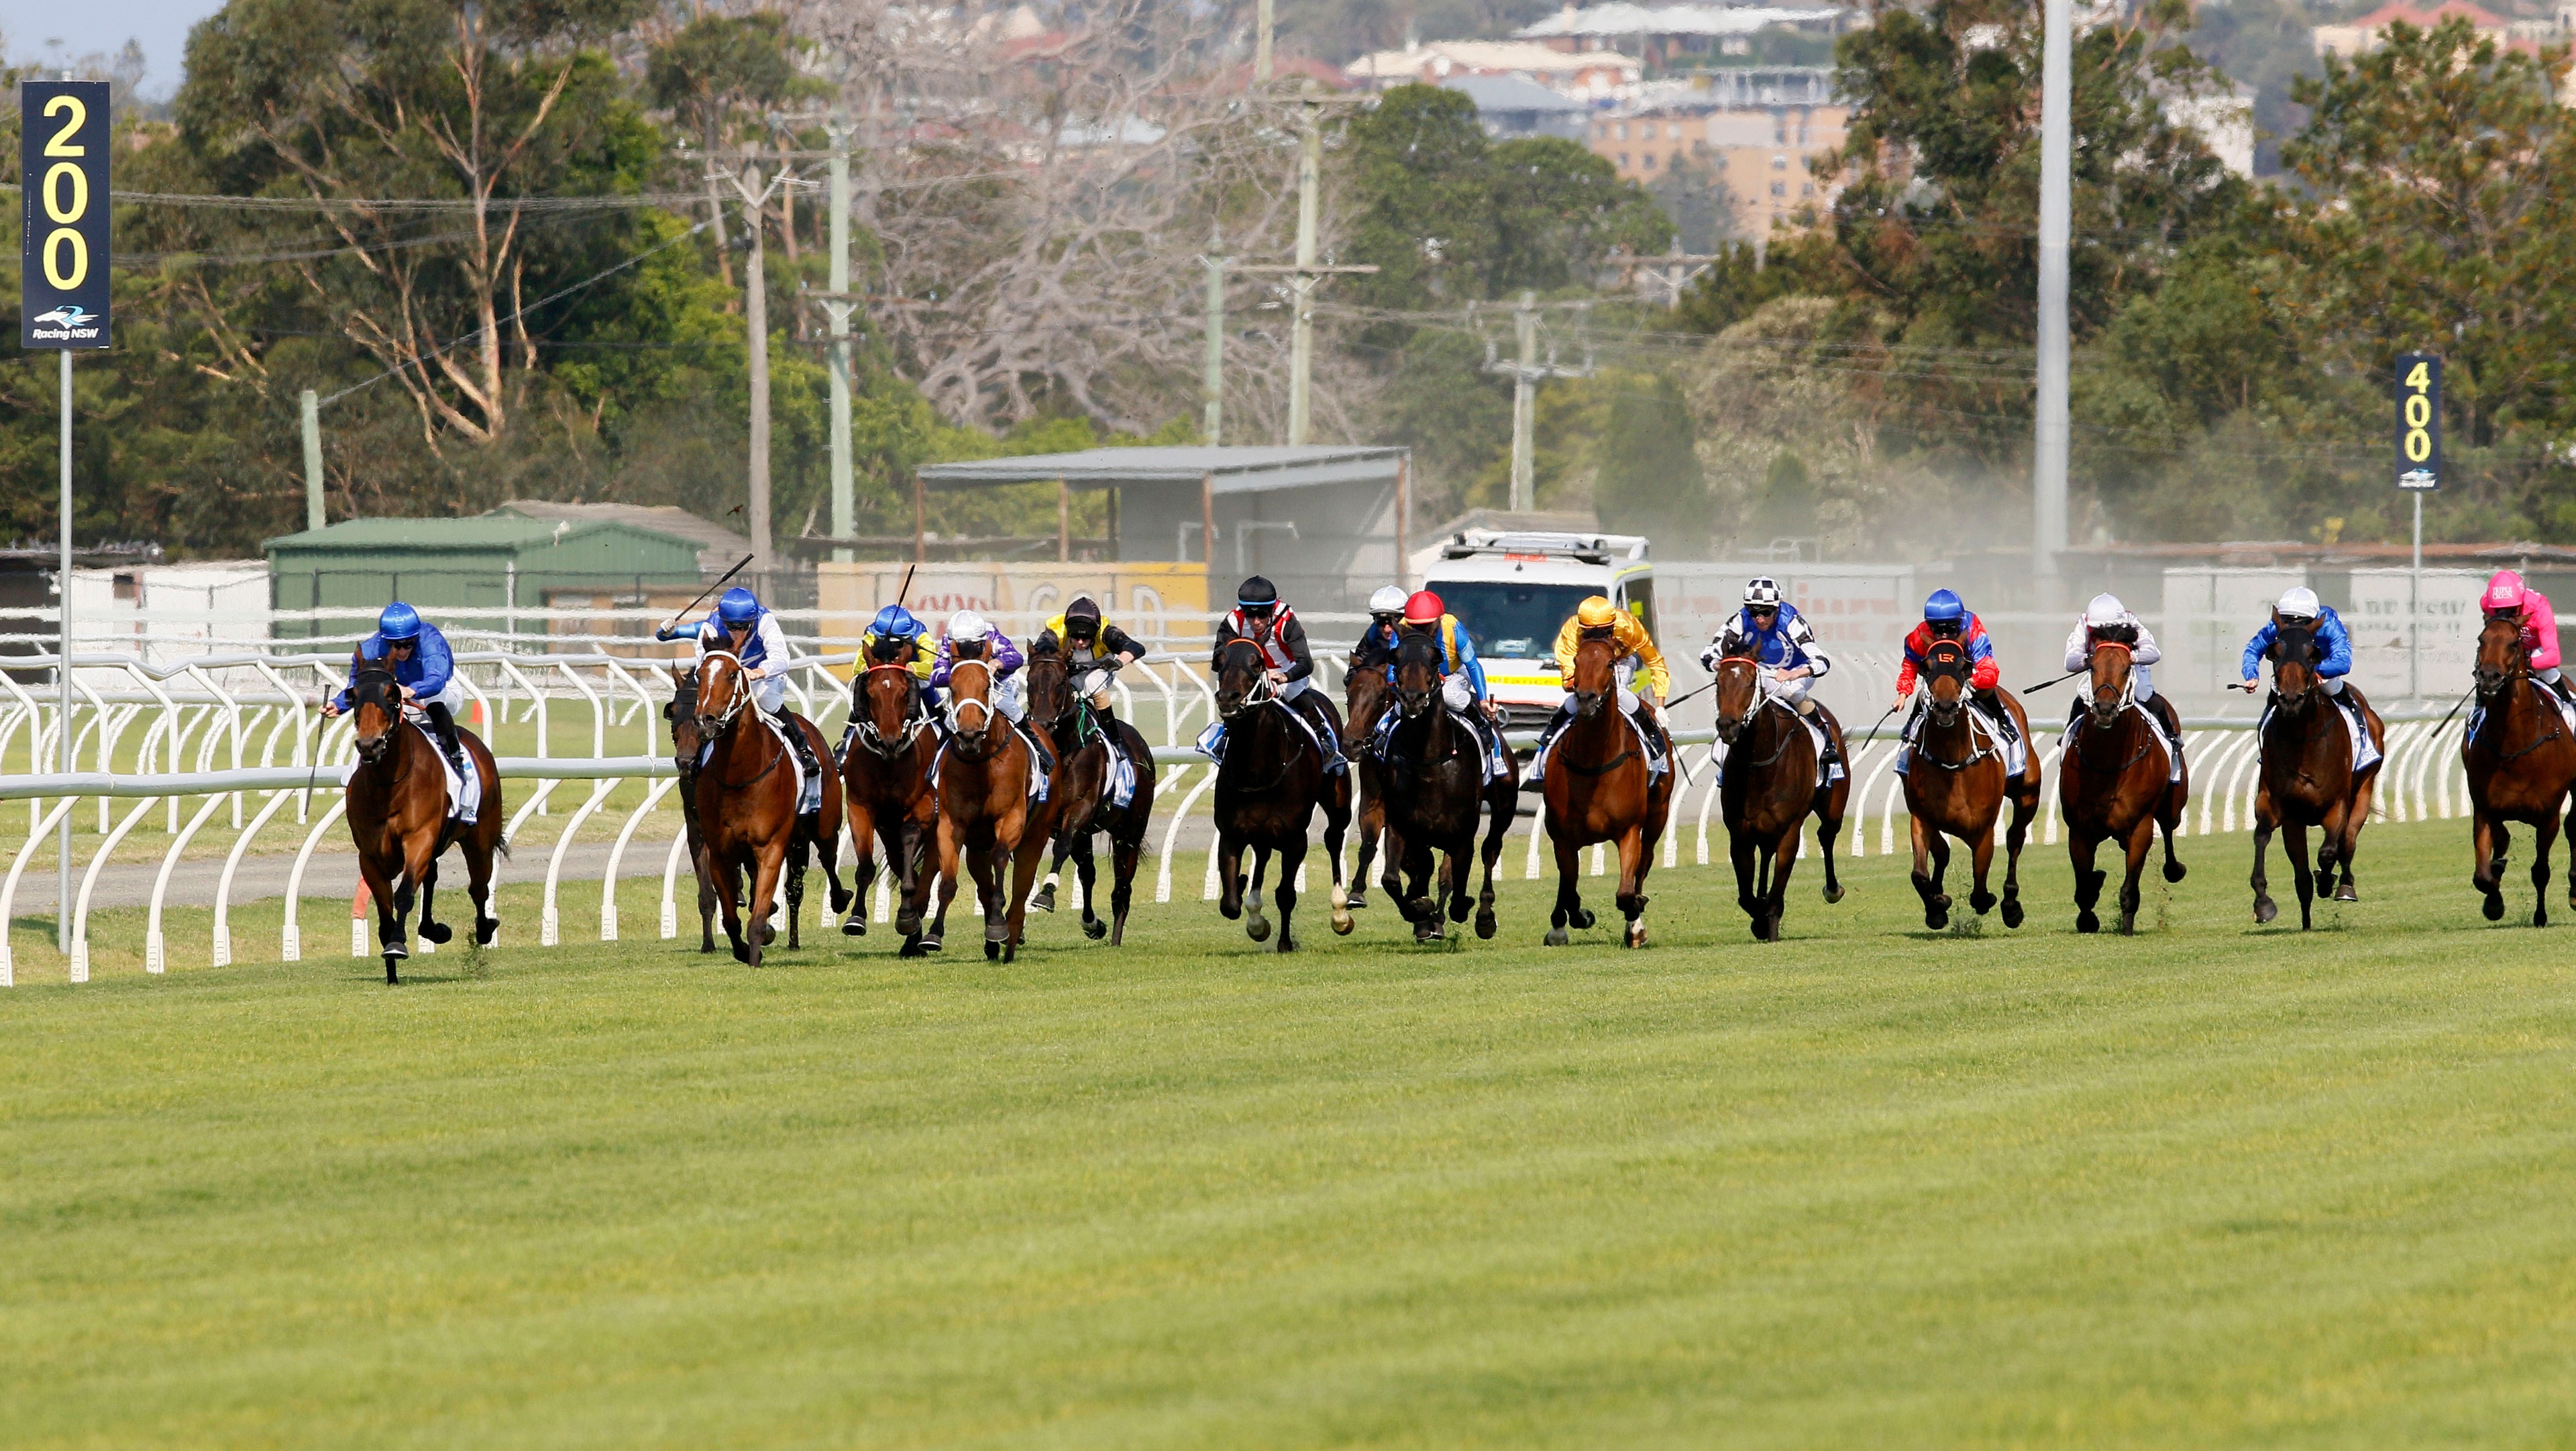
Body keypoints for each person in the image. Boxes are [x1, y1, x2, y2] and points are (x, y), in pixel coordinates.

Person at [658, 586, 825, 801]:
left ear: (753, 620)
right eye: (731, 627)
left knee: (767, 698)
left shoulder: (765, 621)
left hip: (763, 676)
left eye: (744, 627)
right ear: (723, 620)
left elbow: (781, 658)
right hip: (725, 679)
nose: (738, 632)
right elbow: (702, 665)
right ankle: (697, 757)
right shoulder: (712, 625)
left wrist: (757, 672)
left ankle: (803, 750)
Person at [1205, 575, 1348, 774]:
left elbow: (1306, 663)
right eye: (1250, 615)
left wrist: (1284, 677)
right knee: (1232, 702)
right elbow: (1218, 660)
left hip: (1285, 673)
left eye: (1262, 615)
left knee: (1296, 695)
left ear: (1272, 609)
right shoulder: (1233, 621)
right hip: (1252, 677)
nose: (1256, 622)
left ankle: (1323, 736)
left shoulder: (1287, 620)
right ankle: (1225, 737)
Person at [325, 601, 471, 783]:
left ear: (416, 637)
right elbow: (358, 685)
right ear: (384, 640)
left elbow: (436, 678)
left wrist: (412, 690)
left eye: (408, 644)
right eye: (395, 645)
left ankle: (456, 762)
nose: (402, 651)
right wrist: (338, 705)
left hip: (442, 689)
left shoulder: (430, 640)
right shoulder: (371, 649)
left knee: (434, 705)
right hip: (397, 692)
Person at [1705, 576, 1838, 773]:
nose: (1759, 619)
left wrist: (1795, 673)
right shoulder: (1740, 619)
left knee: (1792, 692)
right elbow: (1710, 651)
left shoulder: (1790, 621)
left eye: (1766, 613)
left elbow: (1821, 661)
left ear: (1777, 609)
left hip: (1797, 671)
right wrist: (1720, 665)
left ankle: (1826, 741)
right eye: (1753, 612)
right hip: (1760, 673)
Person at [1530, 594, 1671, 775]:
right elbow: (1569, 680)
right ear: (1581, 628)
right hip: (1587, 660)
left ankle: (1654, 738)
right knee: (1579, 697)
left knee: (1618, 693)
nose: (1598, 638)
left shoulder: (1628, 625)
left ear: (1613, 626)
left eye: (1605, 632)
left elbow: (1655, 662)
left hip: (1621, 659)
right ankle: (1545, 746)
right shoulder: (1571, 630)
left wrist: (1660, 706)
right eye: (1590, 634)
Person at [1375, 589, 1508, 779]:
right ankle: (1386, 734)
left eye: (1428, 625)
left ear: (1439, 620)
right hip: (1420, 679)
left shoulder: (1452, 626)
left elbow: (1472, 664)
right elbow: (1392, 670)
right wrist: (1396, 687)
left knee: (1451, 696)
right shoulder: (1401, 628)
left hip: (1453, 672)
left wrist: (1484, 699)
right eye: (1416, 626)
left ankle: (1483, 727)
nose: (1422, 631)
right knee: (1400, 705)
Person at [1894, 587, 2017, 757]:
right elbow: (1910, 666)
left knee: (1985, 690)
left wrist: (1974, 680)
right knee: (1924, 693)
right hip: (1939, 678)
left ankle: (2003, 721)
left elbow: (1989, 671)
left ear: (1959, 622)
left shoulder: (1972, 628)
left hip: (1968, 673)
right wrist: (1902, 695)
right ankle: (1911, 727)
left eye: (1951, 628)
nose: (1944, 634)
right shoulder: (1919, 636)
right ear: (1929, 626)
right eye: (1937, 629)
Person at [932, 608, 1051, 773]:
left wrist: (998, 663)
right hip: (968, 690)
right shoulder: (949, 640)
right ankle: (936, 763)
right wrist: (965, 675)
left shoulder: (990, 634)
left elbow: (1015, 657)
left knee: (1005, 704)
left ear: (981, 640)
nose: (969, 651)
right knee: (950, 719)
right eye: (962, 648)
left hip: (999, 684)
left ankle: (1038, 749)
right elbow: (936, 676)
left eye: (975, 646)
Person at [1034, 594, 1145, 769]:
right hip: (1069, 672)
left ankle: (1114, 740)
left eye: (1086, 639)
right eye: (1075, 637)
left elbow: (1136, 648)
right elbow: (1041, 649)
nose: (1080, 642)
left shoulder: (1106, 633)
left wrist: (1117, 663)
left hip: (1100, 670)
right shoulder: (1055, 631)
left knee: (1093, 683)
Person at [2065, 592, 2184, 751]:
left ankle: (2170, 735)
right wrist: (2092, 660)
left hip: (2130, 668)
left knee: (2144, 694)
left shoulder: (2130, 621)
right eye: (2098, 627)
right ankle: (2069, 738)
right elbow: (2070, 661)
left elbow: (2154, 653)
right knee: (2082, 700)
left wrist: (2131, 658)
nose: (2104, 630)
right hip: (2100, 670)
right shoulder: (2084, 624)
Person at [2239, 586, 2369, 726]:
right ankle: (2263, 732)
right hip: (2288, 674)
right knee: (2273, 701)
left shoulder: (2329, 624)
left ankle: (2362, 736)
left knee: (2333, 688)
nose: (2295, 627)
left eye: (2302, 622)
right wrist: (2252, 676)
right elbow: (2253, 649)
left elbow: (2343, 662)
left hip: (2321, 672)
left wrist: (2314, 670)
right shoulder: (2276, 626)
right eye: (2288, 620)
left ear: (2313, 619)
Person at [2479, 569, 2573, 705]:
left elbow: (2553, 657)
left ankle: (2569, 703)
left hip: (2535, 649)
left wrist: (2526, 663)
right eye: (2498, 611)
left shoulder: (2539, 607)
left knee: (2548, 673)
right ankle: (2478, 710)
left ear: (2521, 602)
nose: (2506, 615)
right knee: (2483, 671)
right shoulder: (2485, 604)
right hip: (2508, 650)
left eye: (2512, 610)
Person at [1348, 584, 1411, 674]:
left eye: (1392, 622)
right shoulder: (1372, 634)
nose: (1387, 629)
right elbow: (1351, 675)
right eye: (1380, 622)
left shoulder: (1415, 636)